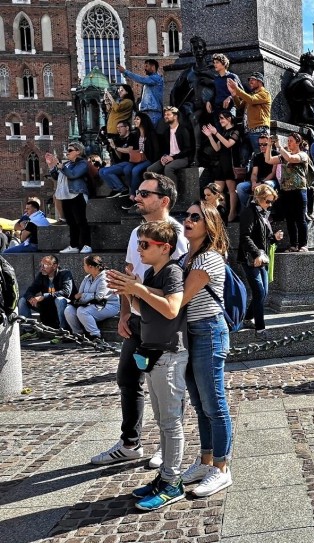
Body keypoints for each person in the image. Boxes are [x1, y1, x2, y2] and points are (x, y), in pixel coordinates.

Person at [90, 173, 189, 469]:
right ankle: (130, 443)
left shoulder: (176, 235)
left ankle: (165, 445)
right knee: (128, 378)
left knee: (166, 389)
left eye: (145, 194)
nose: (137, 198)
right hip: (136, 317)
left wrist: (139, 292)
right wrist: (124, 312)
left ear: (164, 200)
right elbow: (128, 273)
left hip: (162, 324)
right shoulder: (137, 233)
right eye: (138, 192)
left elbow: (177, 288)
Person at [108, 220, 188, 511]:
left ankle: (172, 481)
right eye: (138, 243)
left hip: (169, 355)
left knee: (171, 423)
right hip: (154, 353)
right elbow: (148, 309)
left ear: (164, 247)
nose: (138, 249)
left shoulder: (172, 271)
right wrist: (126, 290)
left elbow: (171, 307)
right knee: (163, 422)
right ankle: (164, 477)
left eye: (144, 245)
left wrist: (137, 288)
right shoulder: (154, 272)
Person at [178, 202, 234, 497]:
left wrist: (139, 291)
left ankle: (222, 468)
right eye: (186, 216)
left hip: (208, 331)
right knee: (200, 404)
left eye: (195, 217)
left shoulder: (208, 259)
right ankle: (206, 460)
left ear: (209, 225)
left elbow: (180, 299)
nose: (188, 220)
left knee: (214, 404)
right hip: (191, 334)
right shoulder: (187, 257)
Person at [239, 184, 284, 338]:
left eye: (271, 202)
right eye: (267, 201)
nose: (270, 205)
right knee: (259, 292)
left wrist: (275, 238)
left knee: (263, 293)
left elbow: (265, 237)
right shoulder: (249, 212)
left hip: (261, 258)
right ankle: (260, 329)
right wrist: (256, 253)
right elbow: (245, 236)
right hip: (251, 258)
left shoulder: (263, 213)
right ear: (259, 199)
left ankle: (246, 318)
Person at [60, 255, 119, 342]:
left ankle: (95, 335)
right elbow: (79, 296)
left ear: (90, 266)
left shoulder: (105, 277)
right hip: (91, 304)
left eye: (84, 264)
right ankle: (78, 334)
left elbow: (99, 297)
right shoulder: (87, 278)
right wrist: (81, 297)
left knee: (82, 311)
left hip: (108, 305)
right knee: (68, 310)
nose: (83, 267)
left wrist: (83, 295)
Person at [46, 142, 92, 254]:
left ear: (78, 152)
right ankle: (74, 245)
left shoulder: (82, 163)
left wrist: (61, 166)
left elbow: (73, 175)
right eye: (67, 150)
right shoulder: (67, 164)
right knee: (71, 222)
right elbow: (56, 177)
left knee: (81, 221)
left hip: (77, 194)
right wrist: (51, 166)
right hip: (65, 195)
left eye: (70, 150)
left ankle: (86, 245)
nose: (67, 152)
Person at [17, 255, 76, 340]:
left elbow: (66, 292)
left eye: (44, 265)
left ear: (54, 266)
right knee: (23, 300)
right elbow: (31, 289)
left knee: (59, 300)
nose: (42, 268)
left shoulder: (65, 274)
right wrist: (31, 298)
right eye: (40, 265)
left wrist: (44, 296)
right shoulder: (42, 275)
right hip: (47, 306)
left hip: (63, 305)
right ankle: (30, 331)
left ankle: (64, 332)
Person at [267, 134, 310, 252]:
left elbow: (292, 159)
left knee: (300, 218)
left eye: (291, 141)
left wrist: (279, 147)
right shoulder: (284, 156)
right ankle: (293, 244)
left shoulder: (303, 154)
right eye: (288, 141)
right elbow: (269, 160)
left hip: (299, 190)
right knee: (290, 219)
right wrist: (269, 146)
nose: (289, 143)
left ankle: (303, 244)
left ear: (298, 142)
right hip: (286, 191)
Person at [202, 111, 241, 222]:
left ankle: (232, 212)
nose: (220, 121)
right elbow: (217, 148)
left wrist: (216, 133)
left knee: (231, 189)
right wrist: (210, 136)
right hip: (221, 163)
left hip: (231, 162)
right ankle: (220, 210)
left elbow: (229, 144)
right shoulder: (223, 132)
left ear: (229, 119)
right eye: (219, 119)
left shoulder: (235, 131)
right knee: (217, 190)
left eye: (222, 118)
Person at [228, 72, 271, 155]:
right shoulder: (251, 95)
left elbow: (251, 100)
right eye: (249, 80)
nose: (250, 82)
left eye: (253, 80)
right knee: (244, 158)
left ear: (260, 81)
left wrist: (237, 89)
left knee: (260, 156)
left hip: (259, 131)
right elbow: (239, 106)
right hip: (247, 131)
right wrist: (234, 95)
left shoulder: (265, 93)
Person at [147, 106, 192, 183]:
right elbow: (165, 149)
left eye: (168, 114)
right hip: (170, 157)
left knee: (168, 168)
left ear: (175, 116)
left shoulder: (183, 130)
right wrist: (163, 156)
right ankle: (158, 190)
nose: (165, 116)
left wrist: (173, 158)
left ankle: (174, 193)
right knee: (150, 169)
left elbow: (188, 149)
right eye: (165, 115)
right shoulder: (166, 132)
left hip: (182, 158)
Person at [236, 133, 278, 212]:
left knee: (267, 185)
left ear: (270, 144)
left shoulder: (275, 154)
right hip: (258, 181)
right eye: (260, 144)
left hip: (271, 181)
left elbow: (273, 173)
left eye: (264, 144)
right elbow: (254, 173)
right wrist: (254, 182)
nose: (262, 147)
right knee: (240, 187)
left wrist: (261, 183)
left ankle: (267, 211)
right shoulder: (257, 156)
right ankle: (249, 210)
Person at [118, 59, 164, 126]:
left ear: (153, 67)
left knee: (151, 133)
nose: (145, 69)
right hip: (148, 111)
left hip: (153, 112)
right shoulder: (151, 80)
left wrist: (125, 72)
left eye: (146, 66)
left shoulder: (156, 78)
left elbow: (141, 79)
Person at [99, 120, 135, 197]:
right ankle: (115, 189)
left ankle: (123, 189)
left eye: (120, 127)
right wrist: (113, 146)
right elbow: (120, 156)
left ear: (127, 128)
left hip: (131, 162)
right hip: (122, 163)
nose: (118, 129)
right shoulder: (119, 139)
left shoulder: (132, 136)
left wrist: (116, 147)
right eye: (117, 128)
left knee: (107, 172)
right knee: (101, 171)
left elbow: (130, 150)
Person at [129, 113, 159, 196]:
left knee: (135, 170)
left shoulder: (151, 134)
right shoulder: (136, 134)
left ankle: (133, 195)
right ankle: (131, 191)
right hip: (139, 159)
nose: (135, 120)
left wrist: (154, 162)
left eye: (137, 119)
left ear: (143, 120)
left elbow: (156, 150)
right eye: (135, 119)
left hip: (149, 159)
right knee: (128, 169)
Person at [210, 53, 240, 118]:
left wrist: (230, 97)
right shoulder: (216, 79)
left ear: (223, 64)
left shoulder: (232, 77)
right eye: (214, 63)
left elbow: (241, 92)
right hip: (217, 111)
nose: (215, 64)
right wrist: (208, 102)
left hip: (229, 109)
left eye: (217, 62)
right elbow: (214, 94)